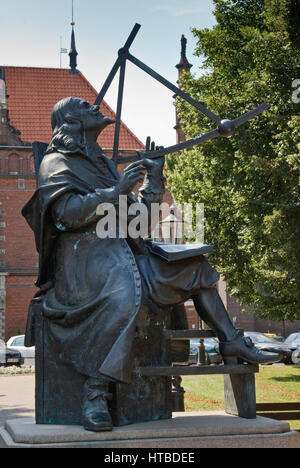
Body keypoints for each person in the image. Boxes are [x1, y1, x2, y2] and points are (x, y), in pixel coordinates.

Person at [22, 97, 278, 432]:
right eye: (86, 107)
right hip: (83, 266)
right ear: (72, 121)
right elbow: (64, 215)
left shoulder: (100, 164)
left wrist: (154, 183)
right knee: (124, 295)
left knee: (197, 269)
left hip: (123, 257)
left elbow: (137, 224)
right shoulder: (55, 162)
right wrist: (115, 191)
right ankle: (95, 392)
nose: (95, 108)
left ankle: (231, 342)